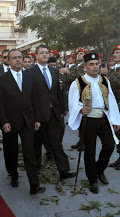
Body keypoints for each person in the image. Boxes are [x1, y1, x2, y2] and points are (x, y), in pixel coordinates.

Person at [68, 53, 120, 194]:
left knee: (109, 146)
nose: (95, 67)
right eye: (91, 64)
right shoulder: (78, 82)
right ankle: (92, 180)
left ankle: (99, 170)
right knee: (89, 151)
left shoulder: (104, 80)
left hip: (103, 117)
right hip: (88, 120)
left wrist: (116, 120)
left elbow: (111, 100)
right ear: (85, 66)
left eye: (96, 64)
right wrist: (80, 109)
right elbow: (72, 102)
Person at [0, 49, 45, 194]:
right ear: (9, 61)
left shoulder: (30, 77)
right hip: (10, 122)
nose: (18, 60)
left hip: (28, 121)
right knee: (11, 152)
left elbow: (35, 100)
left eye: (20, 57)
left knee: (29, 152)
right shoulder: (1, 78)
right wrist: (3, 121)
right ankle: (13, 175)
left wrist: (36, 119)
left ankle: (34, 184)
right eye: (14, 58)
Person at [24, 44, 76, 179]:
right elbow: (27, 96)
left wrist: (63, 108)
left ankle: (64, 170)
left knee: (56, 143)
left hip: (53, 113)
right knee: (36, 144)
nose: (45, 55)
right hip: (38, 115)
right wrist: (32, 116)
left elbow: (58, 92)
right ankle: (35, 169)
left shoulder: (54, 71)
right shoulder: (29, 73)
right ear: (36, 55)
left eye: (46, 52)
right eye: (42, 53)